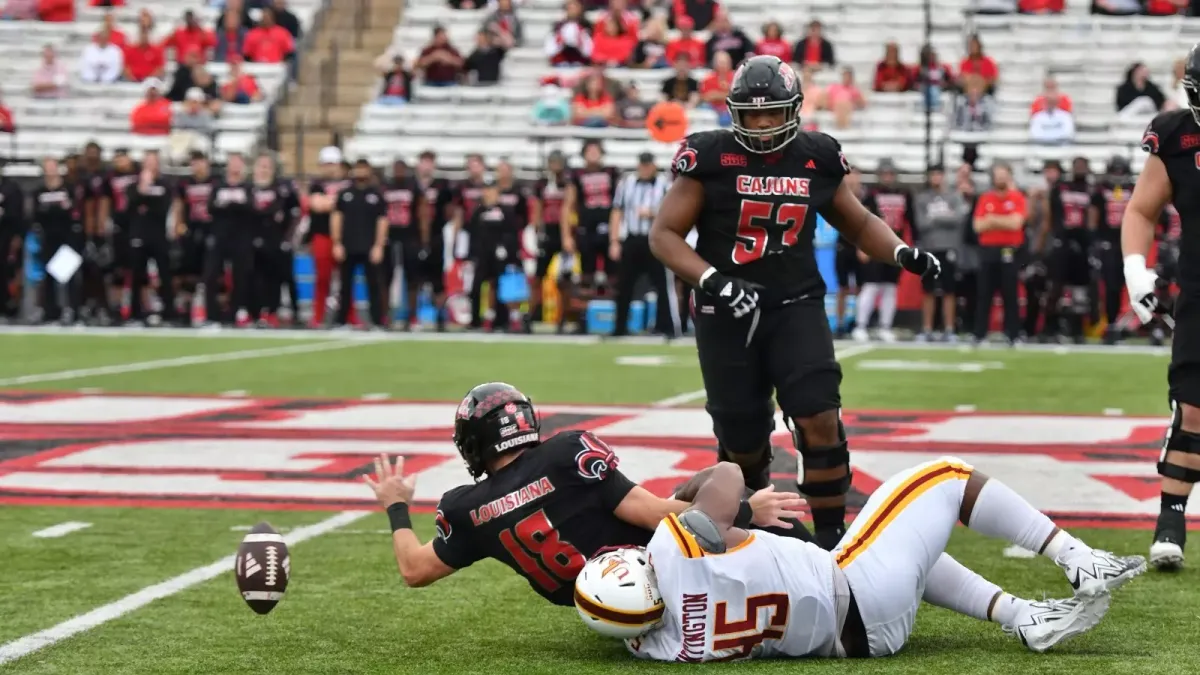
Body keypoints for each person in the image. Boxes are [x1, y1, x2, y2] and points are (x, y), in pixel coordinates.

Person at [648, 55, 941, 550]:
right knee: (742, 438)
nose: (762, 126)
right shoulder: (709, 156)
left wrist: (900, 252)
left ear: (796, 110)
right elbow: (665, 234)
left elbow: (860, 222)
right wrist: (715, 281)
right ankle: (756, 530)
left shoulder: (816, 155)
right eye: (751, 114)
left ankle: (832, 537)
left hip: (795, 302)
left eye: (773, 114)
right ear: (733, 112)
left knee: (819, 415)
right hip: (727, 311)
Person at [576, 459, 1146, 660]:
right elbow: (727, 476)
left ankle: (1023, 616)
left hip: (857, 641)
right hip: (853, 587)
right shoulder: (671, 552)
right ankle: (1078, 558)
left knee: (907, 548)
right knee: (946, 477)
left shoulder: (660, 647)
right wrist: (712, 503)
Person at [360, 382, 805, 603]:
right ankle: (817, 555)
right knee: (724, 475)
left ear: (474, 443)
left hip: (613, 606)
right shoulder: (565, 453)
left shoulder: (468, 508)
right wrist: (746, 510)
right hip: (669, 569)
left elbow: (414, 570)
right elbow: (656, 516)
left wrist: (396, 505)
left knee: (697, 497)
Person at [1122, 43, 1200, 571]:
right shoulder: (1178, 134)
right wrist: (1134, 266)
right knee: (1192, 407)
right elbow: (1142, 209)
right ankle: (1170, 519)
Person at [610, 152, 674, 337]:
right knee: (624, 285)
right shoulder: (626, 183)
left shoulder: (665, 184)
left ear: (654, 166)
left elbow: (672, 211)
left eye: (648, 165)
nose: (645, 168)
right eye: (642, 165)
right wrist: (614, 241)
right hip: (632, 238)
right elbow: (617, 211)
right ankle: (620, 327)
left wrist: (653, 213)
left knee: (662, 285)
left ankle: (666, 327)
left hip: (655, 239)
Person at [854, 159, 915, 343]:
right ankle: (860, 325)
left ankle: (885, 326)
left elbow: (910, 222)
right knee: (871, 285)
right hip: (874, 243)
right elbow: (862, 220)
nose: (888, 177)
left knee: (890, 287)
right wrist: (862, 245)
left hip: (894, 245)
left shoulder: (905, 194)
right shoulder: (871, 194)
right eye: (885, 173)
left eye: (891, 173)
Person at [914, 164, 971, 341]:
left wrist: (936, 218)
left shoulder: (954, 196)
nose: (936, 178)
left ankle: (949, 329)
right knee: (928, 291)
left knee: (949, 290)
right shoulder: (922, 198)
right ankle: (927, 329)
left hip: (949, 248)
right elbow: (921, 223)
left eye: (939, 175)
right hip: (929, 248)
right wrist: (946, 217)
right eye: (933, 175)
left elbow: (959, 219)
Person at [972, 161, 1026, 345]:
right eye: (998, 175)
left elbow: (1016, 223)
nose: (1001, 178)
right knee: (984, 293)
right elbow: (978, 226)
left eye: (1004, 174)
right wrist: (1003, 221)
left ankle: (1013, 335)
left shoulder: (1017, 197)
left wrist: (993, 219)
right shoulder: (985, 198)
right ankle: (979, 334)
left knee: (1010, 294)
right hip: (988, 250)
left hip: (1009, 250)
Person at [1041, 157, 1093, 343]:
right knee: (1055, 288)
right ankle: (1049, 328)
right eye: (1077, 166)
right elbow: (1050, 216)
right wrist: (1046, 243)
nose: (1080, 169)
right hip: (1062, 242)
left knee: (1080, 291)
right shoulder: (1060, 187)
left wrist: (1091, 242)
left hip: (1082, 244)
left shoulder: (1091, 189)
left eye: (1083, 166)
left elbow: (1093, 217)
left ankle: (1076, 329)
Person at [563, 140, 619, 312]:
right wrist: (567, 235)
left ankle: (612, 315)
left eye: (596, 150)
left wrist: (616, 237)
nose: (593, 154)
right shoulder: (577, 175)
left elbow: (619, 205)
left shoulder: (611, 172)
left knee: (613, 275)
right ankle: (584, 317)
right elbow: (568, 205)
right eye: (590, 151)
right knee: (586, 275)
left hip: (608, 229)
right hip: (586, 229)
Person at [332, 159, 389, 329]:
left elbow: (382, 220)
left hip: (369, 247)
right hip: (348, 246)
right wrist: (337, 243)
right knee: (345, 286)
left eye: (364, 169)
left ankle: (377, 321)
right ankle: (341, 321)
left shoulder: (376, 195)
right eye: (358, 169)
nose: (361, 172)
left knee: (373, 285)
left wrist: (379, 245)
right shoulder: (345, 194)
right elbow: (337, 218)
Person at [465, 176, 524, 332]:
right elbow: (473, 234)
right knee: (475, 287)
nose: (489, 193)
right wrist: (471, 256)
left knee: (499, 288)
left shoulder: (506, 211)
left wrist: (508, 251)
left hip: (500, 257)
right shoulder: (477, 212)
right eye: (486, 189)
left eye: (492, 190)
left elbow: (512, 233)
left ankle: (501, 321)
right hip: (482, 256)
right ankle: (475, 320)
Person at [206, 153, 256, 326]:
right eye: (232, 163)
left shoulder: (248, 186)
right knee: (212, 275)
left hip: (241, 237)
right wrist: (233, 205)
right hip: (220, 236)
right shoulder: (218, 185)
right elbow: (211, 207)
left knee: (240, 276)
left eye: (238, 164)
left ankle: (235, 313)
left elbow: (250, 208)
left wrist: (229, 205)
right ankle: (212, 314)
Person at [126, 151, 175, 325]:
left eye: (154, 162)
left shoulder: (165, 185)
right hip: (139, 235)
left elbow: (163, 207)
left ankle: (169, 312)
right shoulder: (133, 185)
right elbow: (130, 206)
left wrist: (145, 202)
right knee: (137, 276)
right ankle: (135, 313)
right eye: (148, 162)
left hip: (159, 236)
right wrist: (143, 190)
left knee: (165, 275)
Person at [1089, 156, 1135, 345]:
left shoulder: (1134, 189)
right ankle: (1111, 324)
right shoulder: (1101, 189)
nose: (1117, 175)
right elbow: (1093, 216)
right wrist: (1094, 242)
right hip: (1108, 243)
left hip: (1130, 242)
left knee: (1131, 286)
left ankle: (1127, 325)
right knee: (1111, 287)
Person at [33, 156, 84, 324]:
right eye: (48, 167)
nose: (51, 170)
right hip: (48, 237)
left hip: (66, 237)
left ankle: (72, 309)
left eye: (53, 166)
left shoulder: (68, 188)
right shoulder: (39, 191)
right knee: (48, 275)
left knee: (68, 274)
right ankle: (50, 310)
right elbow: (35, 215)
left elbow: (75, 213)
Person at [306, 147, 351, 327]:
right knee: (322, 277)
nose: (329, 168)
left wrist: (331, 202)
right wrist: (337, 202)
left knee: (346, 278)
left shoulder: (348, 184)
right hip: (322, 234)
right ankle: (318, 315)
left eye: (332, 164)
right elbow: (318, 205)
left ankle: (348, 314)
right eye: (326, 164)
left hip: (346, 235)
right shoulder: (316, 184)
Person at [380, 159, 427, 330]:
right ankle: (385, 316)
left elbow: (422, 211)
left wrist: (424, 238)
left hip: (410, 235)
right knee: (386, 276)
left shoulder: (413, 185)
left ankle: (412, 316)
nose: (398, 172)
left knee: (412, 277)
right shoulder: (385, 186)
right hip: (390, 235)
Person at [249, 154, 295, 327]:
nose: (264, 170)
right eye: (261, 166)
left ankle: (272, 312)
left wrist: (288, 237)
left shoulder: (282, 190)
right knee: (253, 277)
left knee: (274, 278)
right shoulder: (248, 189)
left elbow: (293, 214)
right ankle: (254, 312)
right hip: (252, 240)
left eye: (267, 166)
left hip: (275, 240)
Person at [173, 151, 215, 325]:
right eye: (194, 163)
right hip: (192, 230)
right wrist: (179, 225)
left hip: (210, 229)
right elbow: (179, 205)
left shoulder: (215, 182)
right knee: (189, 273)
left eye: (200, 162)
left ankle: (215, 311)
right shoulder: (185, 184)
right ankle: (185, 312)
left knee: (213, 273)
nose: (197, 166)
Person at [97, 149, 140, 319]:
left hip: (137, 224)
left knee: (138, 268)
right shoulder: (110, 178)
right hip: (119, 225)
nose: (120, 163)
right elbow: (105, 201)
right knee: (118, 269)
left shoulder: (139, 174)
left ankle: (140, 307)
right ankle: (116, 307)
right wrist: (102, 224)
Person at [531, 150, 568, 325]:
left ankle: (563, 316)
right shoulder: (542, 184)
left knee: (565, 279)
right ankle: (533, 313)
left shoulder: (568, 183)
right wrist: (537, 230)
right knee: (539, 276)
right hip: (548, 232)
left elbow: (570, 207)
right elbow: (538, 208)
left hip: (564, 233)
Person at [415, 150, 450, 330]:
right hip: (415, 238)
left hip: (436, 237)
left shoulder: (441, 186)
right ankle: (416, 317)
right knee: (416, 278)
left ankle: (440, 316)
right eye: (424, 162)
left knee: (437, 279)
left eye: (430, 162)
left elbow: (450, 210)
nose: (427, 166)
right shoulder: (412, 185)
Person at [833, 167, 863, 337]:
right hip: (843, 245)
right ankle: (840, 322)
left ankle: (859, 321)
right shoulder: (839, 195)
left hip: (859, 245)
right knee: (842, 287)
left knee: (860, 287)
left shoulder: (867, 197)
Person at [0, 164, 25, 323]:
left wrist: (17, 236)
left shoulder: (10, 188)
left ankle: (7, 308)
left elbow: (17, 215)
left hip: (5, 236)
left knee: (6, 272)